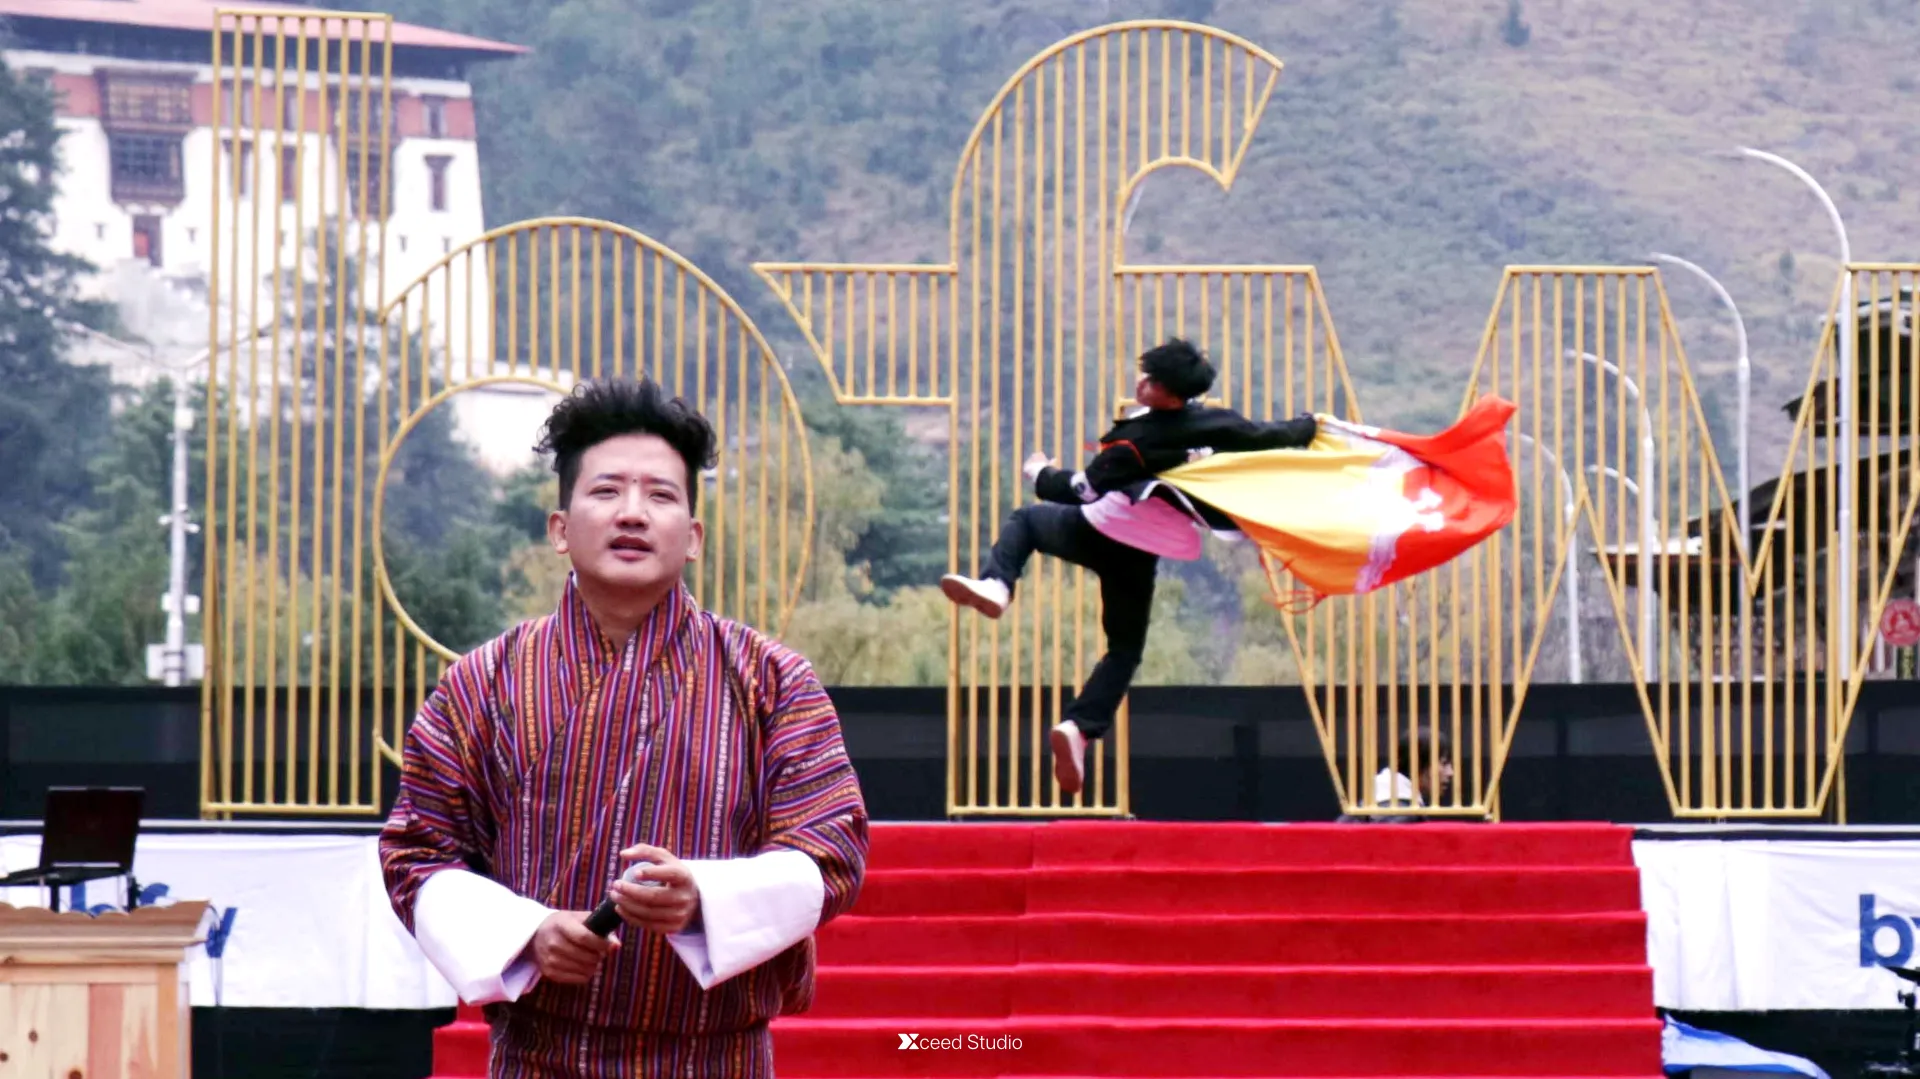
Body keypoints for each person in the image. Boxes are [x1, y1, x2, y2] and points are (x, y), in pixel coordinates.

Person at [378, 378, 868, 1079]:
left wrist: (705, 896)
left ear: (693, 537)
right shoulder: (480, 686)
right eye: (606, 491)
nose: (633, 513)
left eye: (662, 495)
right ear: (559, 527)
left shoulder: (772, 680)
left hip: (718, 1058)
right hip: (538, 1058)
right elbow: (417, 852)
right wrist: (528, 933)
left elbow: (832, 848)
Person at [939, 338, 1317, 796]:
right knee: (1124, 649)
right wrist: (1314, 426)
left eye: (1151, 380)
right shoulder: (1216, 423)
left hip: (1099, 527)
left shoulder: (1137, 440)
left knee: (1027, 521)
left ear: (1170, 393)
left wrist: (1038, 472)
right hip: (1141, 550)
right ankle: (1080, 728)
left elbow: (1081, 489)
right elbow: (1269, 437)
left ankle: (997, 586)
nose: (1142, 383)